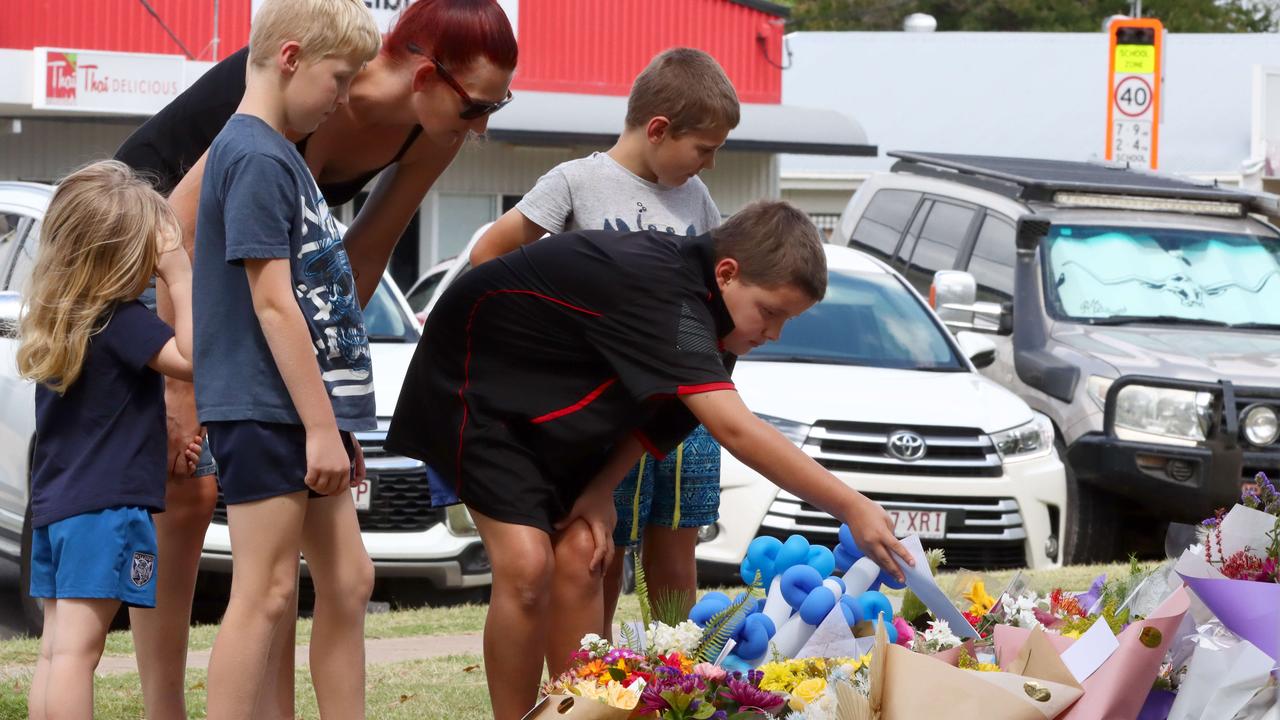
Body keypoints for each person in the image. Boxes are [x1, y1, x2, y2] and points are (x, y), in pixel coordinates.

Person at [113, 1, 517, 716]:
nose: (483, 125)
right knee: (188, 498)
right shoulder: (281, 104)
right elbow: (176, 237)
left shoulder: (422, 125)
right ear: (427, 73)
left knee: (330, 575)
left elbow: (353, 257)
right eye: (480, 104)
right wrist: (182, 383)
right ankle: (163, 707)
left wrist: (329, 395)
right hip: (147, 250)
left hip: (256, 309)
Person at [386, 200, 914, 720]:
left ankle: (582, 715)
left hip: (555, 412)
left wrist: (600, 489)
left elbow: (655, 419)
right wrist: (852, 506)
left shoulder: (716, 320)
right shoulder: (666, 291)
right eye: (771, 313)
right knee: (527, 567)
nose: (773, 333)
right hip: (474, 390)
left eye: (786, 321)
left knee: (582, 556)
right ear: (727, 273)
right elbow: (733, 428)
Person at [469, 47, 739, 655]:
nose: (710, 163)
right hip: (601, 411)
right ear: (659, 129)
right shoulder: (575, 182)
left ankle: (676, 680)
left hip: (684, 410)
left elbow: (714, 293)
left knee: (676, 553)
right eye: (704, 148)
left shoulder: (696, 199)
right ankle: (596, 683)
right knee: (597, 554)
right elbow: (490, 255)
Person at [193, 0, 382, 716]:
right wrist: (319, 426)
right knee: (265, 593)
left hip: (300, 414)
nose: (340, 101)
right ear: (293, 56)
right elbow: (273, 301)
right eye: (339, 80)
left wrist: (333, 422)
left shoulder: (282, 156)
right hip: (265, 408)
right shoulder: (254, 156)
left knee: (349, 581)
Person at [16, 160, 200, 720]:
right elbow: (194, 360)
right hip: (107, 511)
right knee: (81, 651)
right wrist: (182, 276)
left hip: (57, 508)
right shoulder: (122, 321)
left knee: (57, 648)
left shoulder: (62, 320)